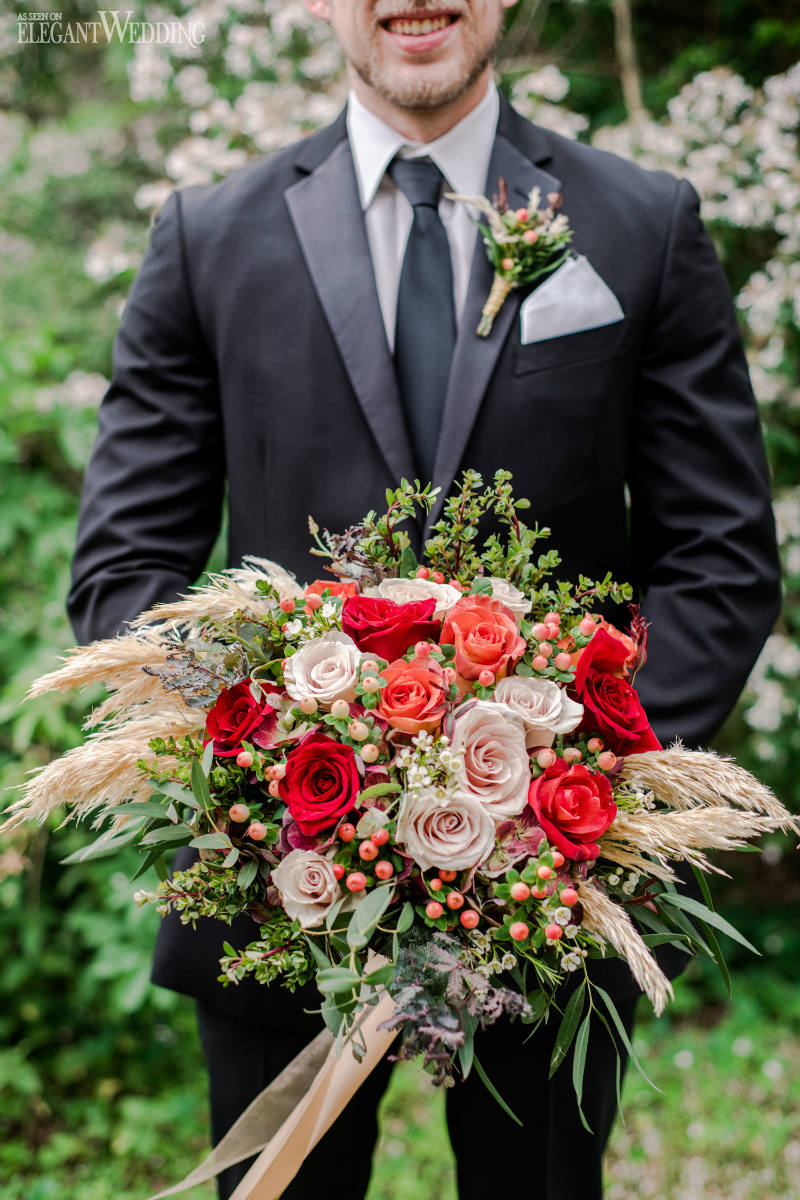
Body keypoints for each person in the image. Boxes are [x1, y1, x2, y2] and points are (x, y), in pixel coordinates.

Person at [66, 1, 780, 1197]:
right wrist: (265, 771)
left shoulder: (638, 224)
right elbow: (124, 570)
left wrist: (579, 780)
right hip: (278, 878)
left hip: (560, 882)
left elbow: (718, 557)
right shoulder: (206, 236)